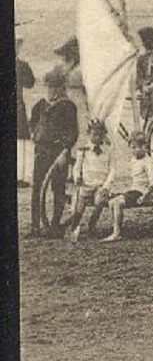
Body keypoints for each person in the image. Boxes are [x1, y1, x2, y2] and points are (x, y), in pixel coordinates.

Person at [74, 130, 153, 243]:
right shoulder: (135, 159)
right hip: (134, 190)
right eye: (132, 148)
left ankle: (116, 233)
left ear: (144, 147)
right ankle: (115, 230)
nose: (134, 150)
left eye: (136, 148)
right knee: (112, 202)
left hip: (140, 192)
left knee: (116, 203)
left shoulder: (147, 161)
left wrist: (145, 197)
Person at [29, 71, 80, 235]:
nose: (51, 90)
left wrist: (66, 150)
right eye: (49, 87)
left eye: (54, 87)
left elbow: (73, 132)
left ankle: (55, 224)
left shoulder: (68, 106)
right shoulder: (41, 104)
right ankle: (35, 226)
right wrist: (34, 134)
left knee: (58, 188)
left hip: (58, 153)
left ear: (61, 87)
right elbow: (32, 122)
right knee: (37, 188)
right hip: (41, 151)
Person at [15, 37, 35, 189]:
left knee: (21, 140)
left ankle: (21, 176)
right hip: (17, 106)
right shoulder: (21, 65)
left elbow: (30, 83)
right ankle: (21, 176)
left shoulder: (22, 65)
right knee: (20, 140)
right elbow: (30, 83)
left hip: (17, 106)